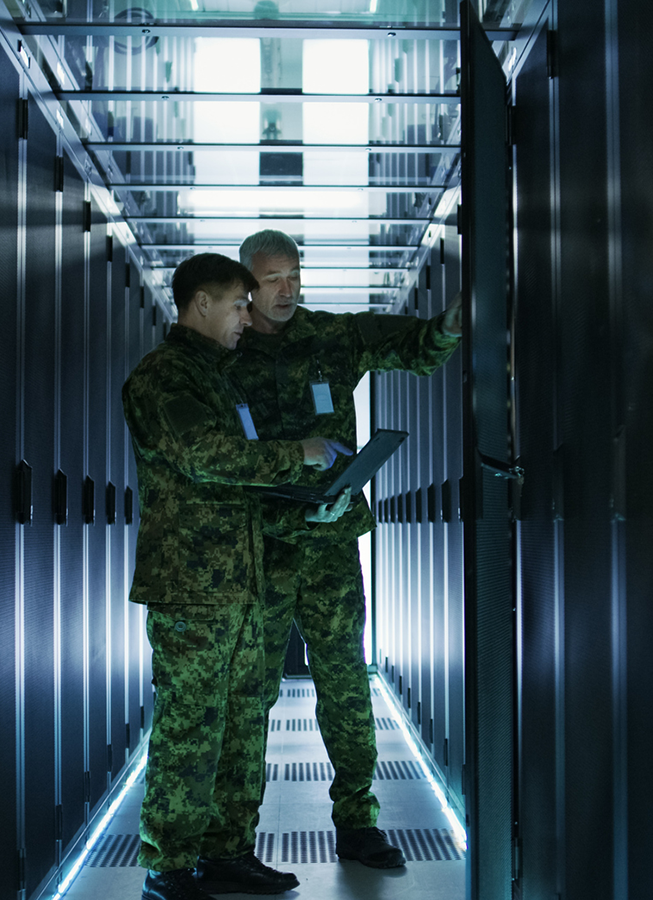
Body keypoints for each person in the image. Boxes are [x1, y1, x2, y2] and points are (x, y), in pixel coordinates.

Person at [226, 229, 463, 869]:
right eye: (273, 278)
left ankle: (358, 823)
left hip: (328, 543)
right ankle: (232, 840)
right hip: (261, 547)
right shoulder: (224, 349)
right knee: (249, 692)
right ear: (246, 284)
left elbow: (415, 347)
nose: (287, 289)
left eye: (294, 275)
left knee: (344, 686)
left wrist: (456, 321)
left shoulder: (333, 336)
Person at [122, 252, 354, 900]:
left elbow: (241, 481)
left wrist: (314, 500)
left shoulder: (221, 381)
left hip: (243, 582)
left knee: (246, 716)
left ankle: (225, 849)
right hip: (193, 590)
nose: (246, 320)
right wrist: (297, 453)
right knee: (192, 722)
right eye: (235, 306)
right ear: (200, 304)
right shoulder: (163, 379)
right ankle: (168, 865)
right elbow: (208, 459)